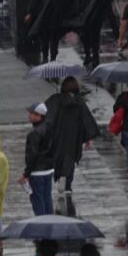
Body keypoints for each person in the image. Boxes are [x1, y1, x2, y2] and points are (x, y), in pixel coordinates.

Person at [44, 77, 98, 213]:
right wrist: (87, 139)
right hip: (73, 136)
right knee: (71, 159)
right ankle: (68, 185)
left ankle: (58, 178)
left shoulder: (55, 100)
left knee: (57, 157)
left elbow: (48, 118)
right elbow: (86, 120)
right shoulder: (79, 102)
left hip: (58, 135)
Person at [21, 102, 55, 216]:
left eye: (31, 113)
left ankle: (41, 224)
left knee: (38, 201)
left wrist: (26, 174)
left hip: (37, 172)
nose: (29, 115)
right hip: (48, 170)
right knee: (47, 199)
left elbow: (32, 155)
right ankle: (50, 222)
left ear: (38, 116)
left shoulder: (34, 133)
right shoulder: (49, 127)